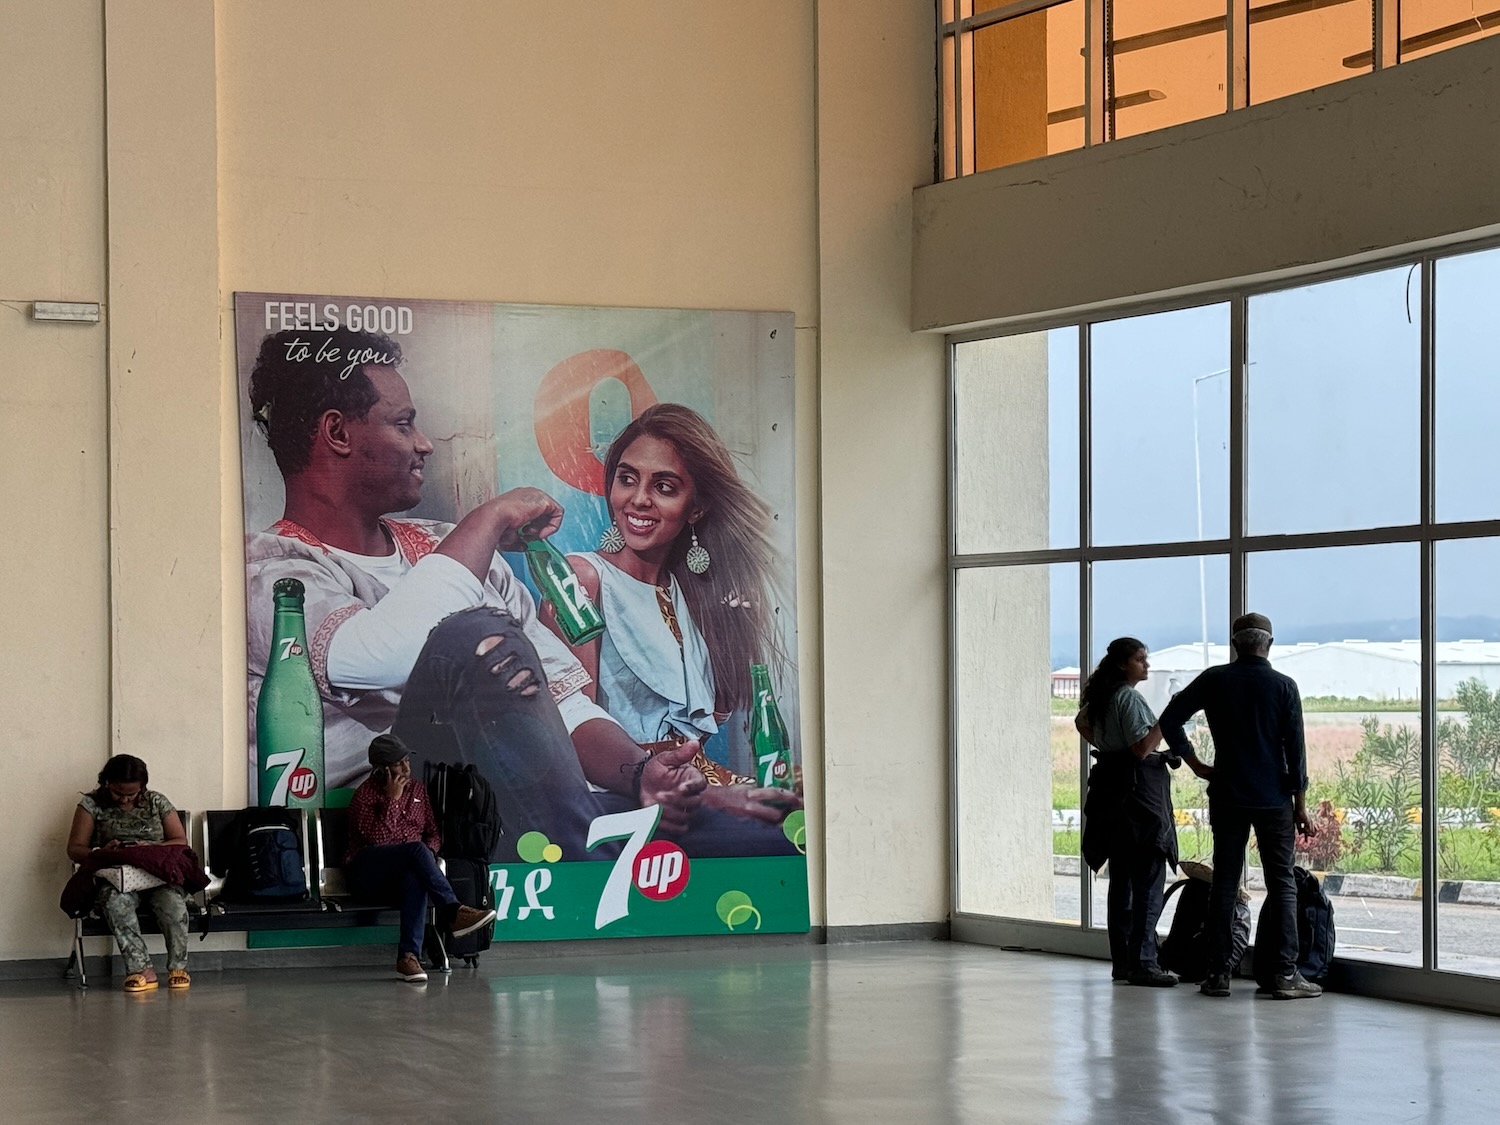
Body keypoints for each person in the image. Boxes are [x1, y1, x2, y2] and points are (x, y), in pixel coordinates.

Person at [244, 327, 791, 861]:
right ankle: (588, 842)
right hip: (400, 829)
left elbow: (563, 699)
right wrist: (488, 518)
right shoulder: (273, 571)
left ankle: (595, 833)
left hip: (525, 809)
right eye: (404, 423)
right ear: (338, 433)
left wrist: (640, 773)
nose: (425, 443)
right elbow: (374, 656)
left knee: (774, 833)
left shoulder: (446, 546)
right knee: (475, 633)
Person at [553, 403, 799, 827]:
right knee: (776, 831)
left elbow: (705, 723)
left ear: (696, 508)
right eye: (627, 479)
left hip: (694, 784)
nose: (639, 499)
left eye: (664, 487)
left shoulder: (687, 590)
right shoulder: (582, 579)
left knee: (800, 813)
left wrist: (737, 634)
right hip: (622, 799)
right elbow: (572, 725)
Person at [1158, 612, 1320, 1000]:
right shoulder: (1284, 686)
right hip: (1273, 799)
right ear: (1269, 645)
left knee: (1225, 884)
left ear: (1235, 644)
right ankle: (1284, 974)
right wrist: (1300, 805)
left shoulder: (1214, 680)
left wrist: (1195, 763)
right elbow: (1296, 751)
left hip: (1228, 794)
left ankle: (1218, 974)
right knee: (1282, 882)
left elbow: (1170, 719)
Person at [1075, 638, 1185, 987]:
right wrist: (1167, 720)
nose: (1146, 666)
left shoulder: (1101, 699)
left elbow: (1081, 723)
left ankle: (1123, 961)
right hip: (1141, 798)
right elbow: (1141, 749)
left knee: (1121, 883)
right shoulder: (1129, 699)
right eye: (1140, 660)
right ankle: (1145, 963)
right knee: (1149, 881)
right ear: (1124, 665)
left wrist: (1108, 748)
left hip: (1112, 797)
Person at [345, 734, 497, 982]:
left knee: (415, 876)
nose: (406, 768)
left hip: (403, 873)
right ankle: (454, 911)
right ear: (382, 770)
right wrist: (392, 800)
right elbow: (378, 841)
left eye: (407, 760)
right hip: (368, 873)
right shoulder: (365, 796)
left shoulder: (417, 789)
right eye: (398, 764)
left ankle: (408, 958)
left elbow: (433, 833)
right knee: (416, 851)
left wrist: (428, 855)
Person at [65, 755, 194, 992]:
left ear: (142, 787)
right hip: (117, 878)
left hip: (157, 876)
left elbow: (180, 841)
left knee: (173, 905)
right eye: (117, 793)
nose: (124, 799)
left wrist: (150, 848)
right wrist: (102, 851)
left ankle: (178, 966)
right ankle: (140, 969)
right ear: (106, 783)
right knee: (115, 903)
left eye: (131, 794)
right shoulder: (91, 805)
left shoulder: (156, 802)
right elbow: (74, 849)